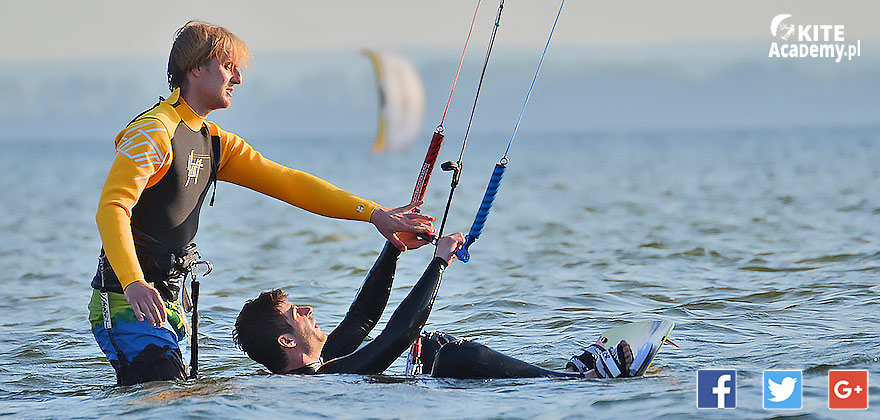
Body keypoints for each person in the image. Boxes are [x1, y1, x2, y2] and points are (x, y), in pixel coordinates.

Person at [87, 20, 435, 386]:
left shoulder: (215, 143)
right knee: (164, 401)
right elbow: (112, 208)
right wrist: (133, 283)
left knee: (180, 397)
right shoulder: (154, 131)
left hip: (167, 304)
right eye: (227, 66)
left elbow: (290, 182)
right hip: (126, 301)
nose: (237, 78)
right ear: (195, 68)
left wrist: (374, 214)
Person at [233, 234, 644, 379]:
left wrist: (392, 249)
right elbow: (396, 335)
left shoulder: (322, 363)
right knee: (453, 355)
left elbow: (362, 317)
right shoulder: (320, 381)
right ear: (287, 340)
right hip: (441, 382)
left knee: (436, 347)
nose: (306, 310)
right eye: (294, 313)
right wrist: (439, 261)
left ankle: (567, 373)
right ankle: (577, 379)